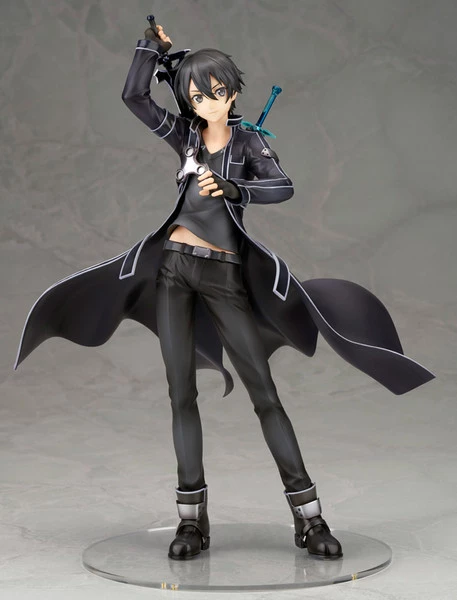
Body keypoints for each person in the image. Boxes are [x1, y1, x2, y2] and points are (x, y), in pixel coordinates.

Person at [14, 20, 435, 563]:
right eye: (197, 95)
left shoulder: (248, 141)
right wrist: (151, 49)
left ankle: (309, 518)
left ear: (233, 93)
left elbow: (282, 186)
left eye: (216, 92)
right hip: (173, 271)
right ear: (188, 100)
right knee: (180, 395)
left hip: (225, 275)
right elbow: (134, 97)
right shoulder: (185, 136)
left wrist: (235, 188)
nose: (208, 102)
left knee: (265, 395)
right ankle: (191, 520)